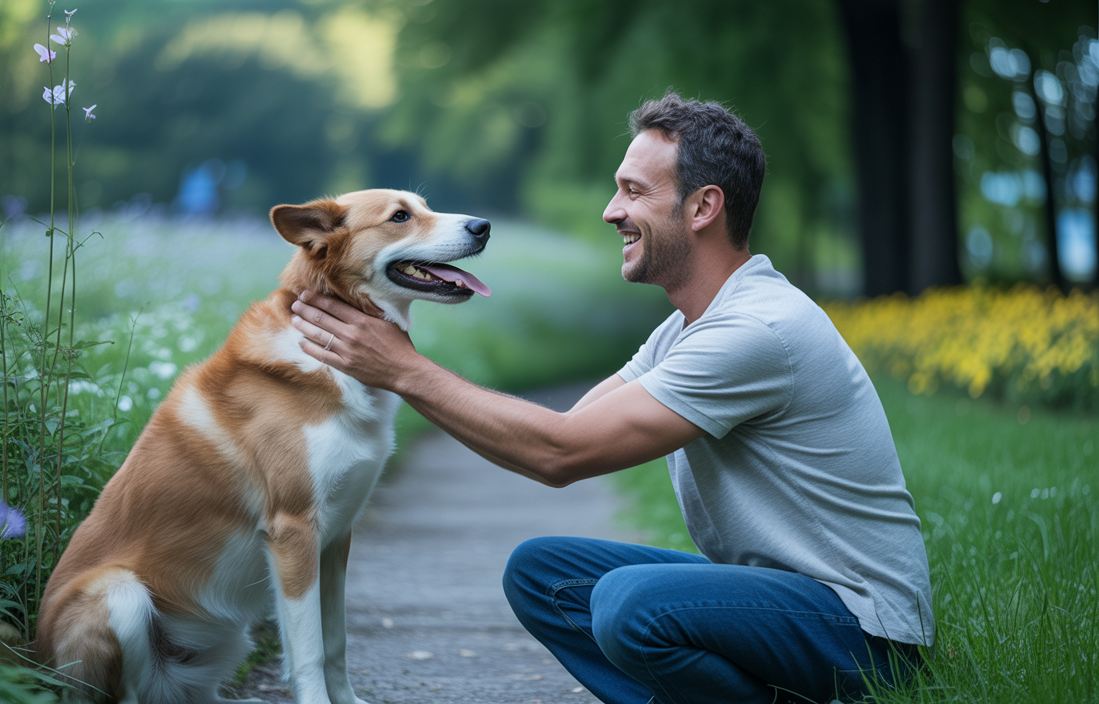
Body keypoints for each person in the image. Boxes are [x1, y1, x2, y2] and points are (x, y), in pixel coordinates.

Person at [288, 91, 933, 704]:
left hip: (863, 635)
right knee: (543, 573)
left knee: (631, 603)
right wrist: (397, 369)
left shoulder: (756, 330)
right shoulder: (687, 328)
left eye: (634, 191)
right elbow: (562, 432)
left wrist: (402, 370)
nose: (610, 211)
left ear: (703, 207)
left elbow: (560, 453)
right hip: (780, 606)